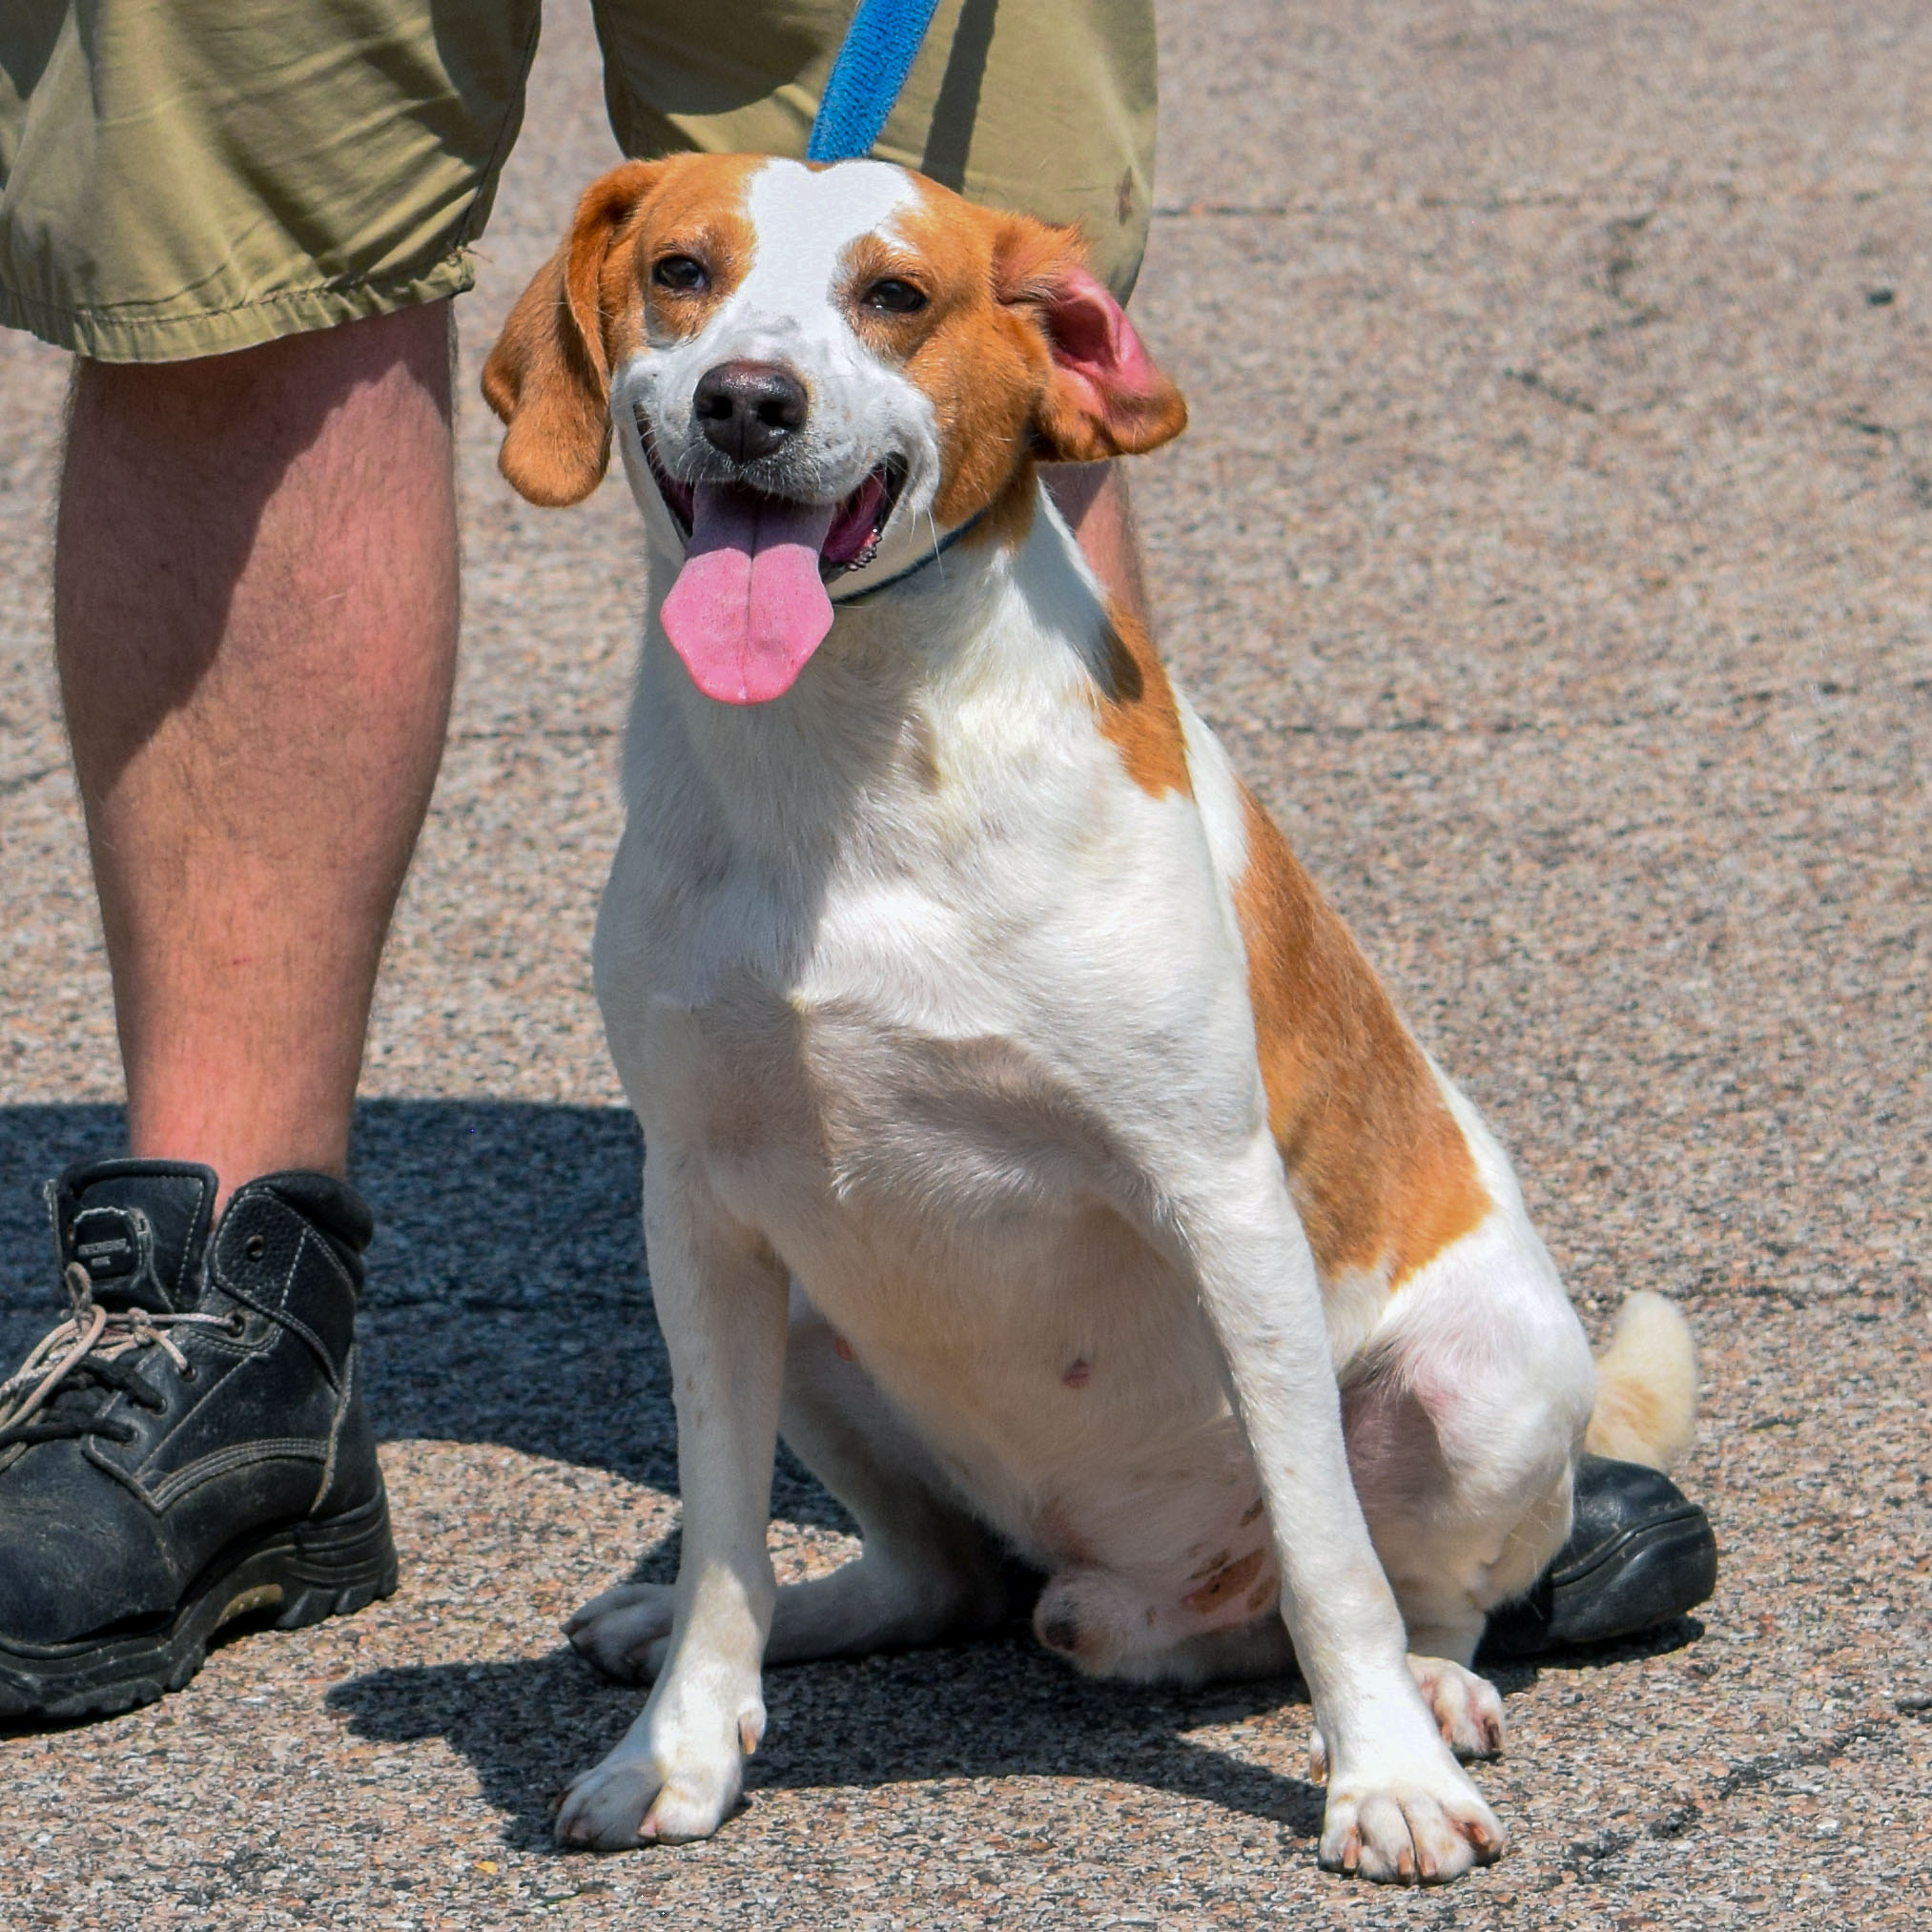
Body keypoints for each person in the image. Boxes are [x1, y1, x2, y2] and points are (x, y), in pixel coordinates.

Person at [0, 0, 1713, 1719]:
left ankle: (1392, 1522)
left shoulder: (1023, 344)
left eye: (885, 299)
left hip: (1267, 1310)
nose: (752, 367)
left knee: (970, 230)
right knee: (222, 258)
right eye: (686, 294)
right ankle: (215, 1303)